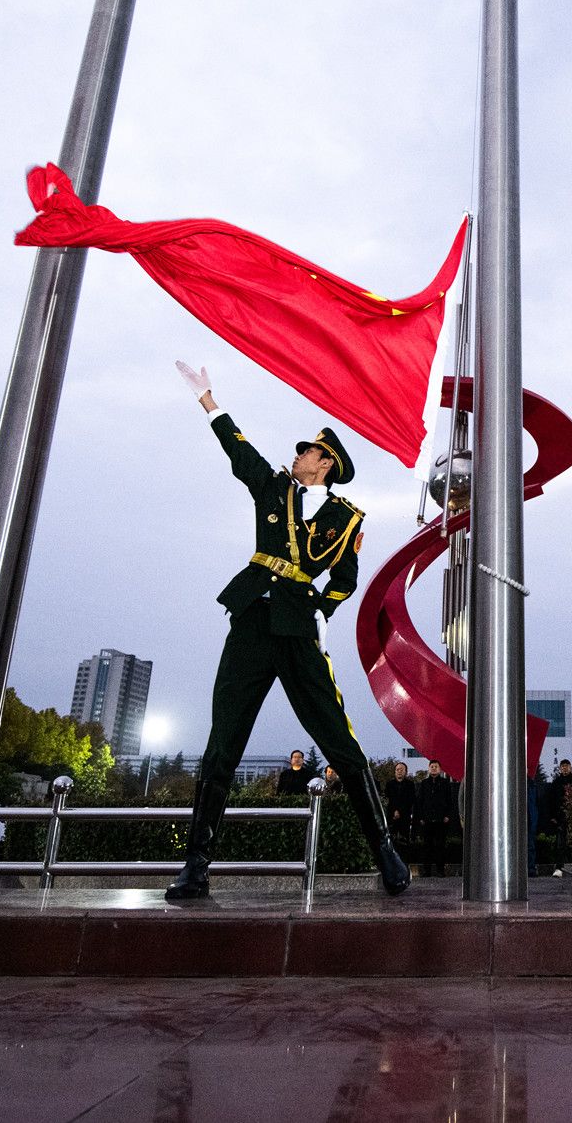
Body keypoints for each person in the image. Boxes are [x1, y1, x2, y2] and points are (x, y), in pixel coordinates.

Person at [162, 361, 408, 900]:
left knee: (339, 740)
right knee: (223, 741)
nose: (297, 456)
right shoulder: (274, 489)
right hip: (253, 620)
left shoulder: (347, 519)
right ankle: (196, 864)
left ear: (326, 463)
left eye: (307, 452)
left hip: (298, 627)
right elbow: (240, 454)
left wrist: (322, 610)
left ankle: (386, 850)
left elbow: (345, 578)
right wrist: (210, 402)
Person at [416, 759, 458, 878]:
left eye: (436, 767)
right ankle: (426, 871)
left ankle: (440, 870)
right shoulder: (424, 783)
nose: (434, 768)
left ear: (440, 769)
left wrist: (447, 816)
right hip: (427, 820)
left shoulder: (445, 783)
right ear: (429, 769)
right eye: (432, 767)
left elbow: (450, 801)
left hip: (441, 820)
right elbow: (420, 801)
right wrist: (421, 817)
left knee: (440, 846)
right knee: (427, 846)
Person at [542, 758, 572, 875]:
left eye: (567, 766)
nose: (565, 768)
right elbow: (550, 800)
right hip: (559, 817)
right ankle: (559, 867)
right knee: (560, 843)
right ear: (560, 768)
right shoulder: (556, 782)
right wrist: (552, 816)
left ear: (570, 767)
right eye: (563, 766)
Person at [385, 760, 417, 855]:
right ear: (395, 771)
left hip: (405, 817)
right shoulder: (389, 784)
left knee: (404, 842)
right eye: (397, 769)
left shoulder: (410, 785)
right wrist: (394, 811)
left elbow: (410, 800)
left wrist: (399, 811)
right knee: (391, 841)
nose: (399, 771)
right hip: (392, 817)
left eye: (401, 770)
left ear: (405, 772)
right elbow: (388, 799)